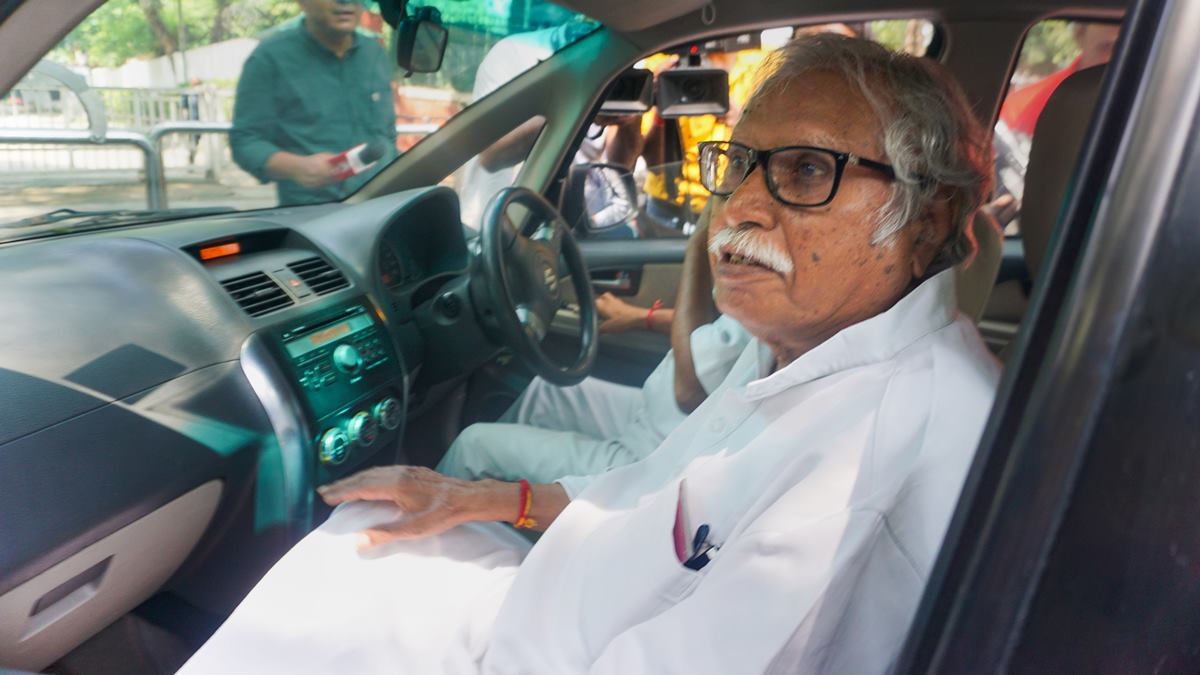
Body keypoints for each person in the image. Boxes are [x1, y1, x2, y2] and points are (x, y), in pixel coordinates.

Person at [179, 34, 999, 674]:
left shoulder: (874, 464)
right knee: (383, 519)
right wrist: (495, 500)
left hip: (516, 646)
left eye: (807, 170)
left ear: (926, 217)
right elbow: (669, 516)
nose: (739, 207)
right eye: (738, 164)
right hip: (534, 609)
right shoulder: (806, 352)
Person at [230, 0, 396, 206]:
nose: (345, 2)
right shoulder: (269, 58)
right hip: (311, 213)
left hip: (380, 205)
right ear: (302, 3)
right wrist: (296, 167)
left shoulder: (375, 54)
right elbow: (245, 140)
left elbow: (387, 133)